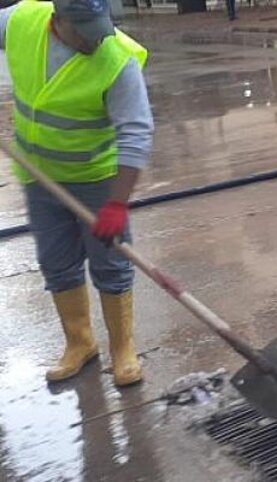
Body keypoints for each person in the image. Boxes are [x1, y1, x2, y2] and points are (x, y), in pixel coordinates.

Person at [1, 0, 154, 387]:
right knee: (57, 262)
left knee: (111, 262)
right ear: (58, 20)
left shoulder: (118, 60)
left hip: (97, 179)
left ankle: (123, 349)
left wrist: (117, 202)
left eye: (100, 26)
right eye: (85, 29)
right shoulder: (21, 21)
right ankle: (80, 344)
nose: (96, 39)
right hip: (40, 177)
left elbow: (136, 134)